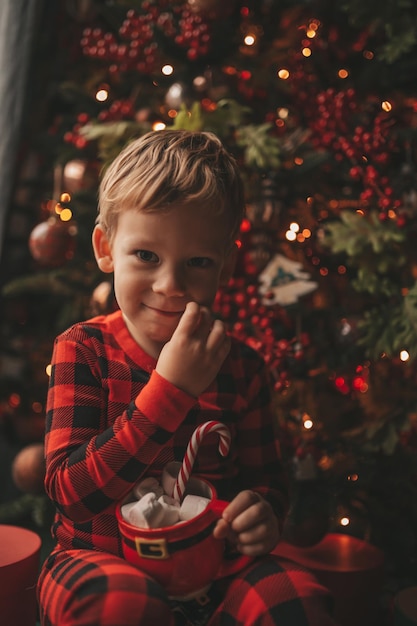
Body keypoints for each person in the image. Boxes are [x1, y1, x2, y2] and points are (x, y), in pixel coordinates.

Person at [37, 129, 337, 626]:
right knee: (123, 604)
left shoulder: (240, 367)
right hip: (94, 561)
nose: (170, 286)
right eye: (146, 257)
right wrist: (169, 393)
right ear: (105, 248)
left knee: (295, 599)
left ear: (227, 264)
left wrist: (261, 513)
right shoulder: (83, 349)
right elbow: (72, 492)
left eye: (197, 262)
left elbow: (265, 484)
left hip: (211, 573)